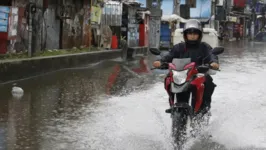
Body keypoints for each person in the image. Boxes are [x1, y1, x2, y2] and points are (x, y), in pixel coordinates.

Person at [153, 19, 219, 114]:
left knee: (208, 81)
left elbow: (212, 55)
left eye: (195, 33)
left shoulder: (204, 47)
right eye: (190, 33)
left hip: (198, 75)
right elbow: (169, 56)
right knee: (168, 78)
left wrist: (213, 63)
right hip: (182, 76)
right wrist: (160, 62)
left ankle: (204, 110)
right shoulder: (178, 47)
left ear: (199, 35)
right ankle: (173, 105)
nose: (192, 36)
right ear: (185, 35)